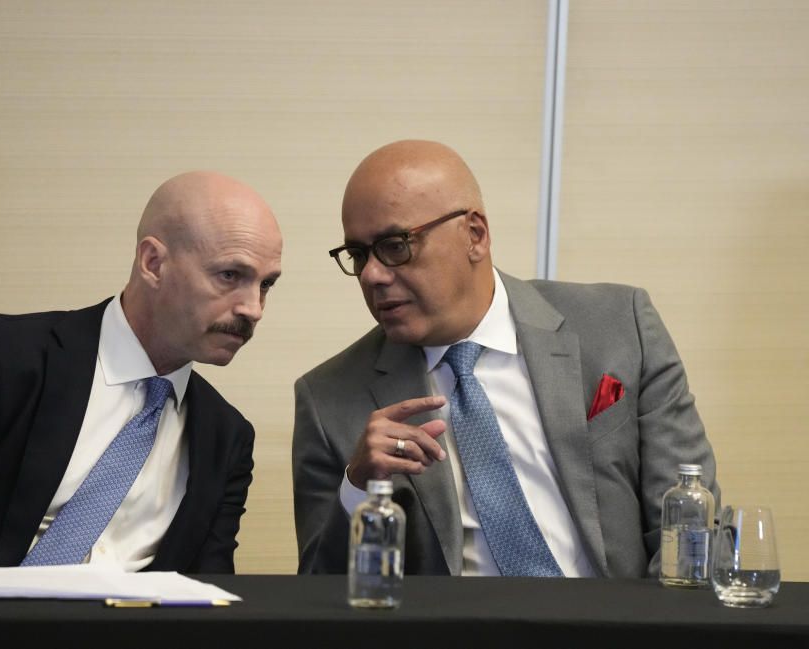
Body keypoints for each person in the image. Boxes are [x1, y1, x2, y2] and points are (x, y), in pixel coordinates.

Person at [292, 140, 717, 577]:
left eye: (396, 246)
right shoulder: (330, 399)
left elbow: (688, 524)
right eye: (358, 255)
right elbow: (316, 593)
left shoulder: (618, 326)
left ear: (474, 234)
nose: (371, 275)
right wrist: (358, 490)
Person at [0, 170, 283, 574]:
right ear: (153, 263)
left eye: (265, 284)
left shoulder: (226, 438)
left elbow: (207, 598)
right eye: (230, 274)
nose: (254, 309)